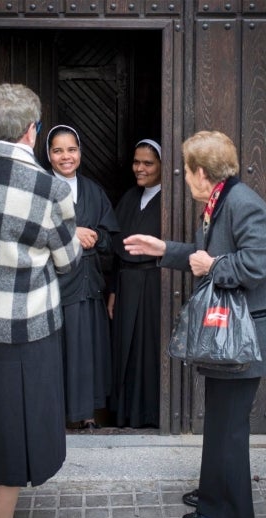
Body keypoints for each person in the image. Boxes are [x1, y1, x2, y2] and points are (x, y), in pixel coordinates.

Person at [123, 130, 266, 518]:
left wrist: (213, 267)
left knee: (230, 423)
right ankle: (215, 490)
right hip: (232, 337)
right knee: (220, 418)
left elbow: (259, 262)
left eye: (185, 171)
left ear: (201, 173)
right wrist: (164, 249)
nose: (183, 177)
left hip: (247, 337)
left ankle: (232, 512)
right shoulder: (220, 199)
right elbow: (206, 256)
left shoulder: (243, 204)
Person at [0, 84, 82, 518]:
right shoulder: (48, 189)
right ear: (32, 131)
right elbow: (69, 262)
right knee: (12, 426)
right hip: (26, 329)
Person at [46, 125, 119, 430]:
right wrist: (70, 233)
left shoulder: (93, 190)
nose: (66, 156)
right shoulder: (40, 190)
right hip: (56, 286)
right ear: (48, 154)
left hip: (89, 284)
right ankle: (57, 415)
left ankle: (88, 414)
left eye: (72, 149)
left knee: (88, 351)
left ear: (80, 152)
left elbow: (111, 238)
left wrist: (95, 237)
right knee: (61, 351)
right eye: (58, 150)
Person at [107, 139, 162, 428]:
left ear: (164, 166)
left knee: (147, 349)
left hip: (154, 286)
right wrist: (114, 290)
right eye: (136, 162)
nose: (139, 169)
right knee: (124, 350)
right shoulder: (129, 198)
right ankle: (125, 415)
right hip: (126, 285)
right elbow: (118, 250)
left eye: (148, 163)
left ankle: (149, 416)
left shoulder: (170, 200)